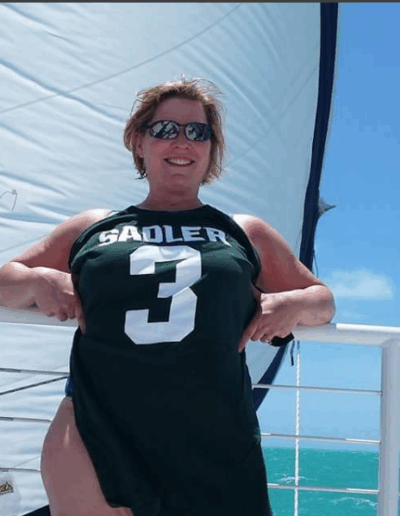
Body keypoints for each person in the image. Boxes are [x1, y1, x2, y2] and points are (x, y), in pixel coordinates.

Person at [0, 78, 335, 516]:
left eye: (198, 131)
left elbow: (322, 301)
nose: (182, 141)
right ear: (139, 142)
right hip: (96, 431)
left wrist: (292, 304)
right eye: (164, 129)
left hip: (216, 437)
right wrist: (38, 279)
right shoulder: (93, 226)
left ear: (211, 148)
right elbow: (5, 280)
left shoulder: (245, 232)